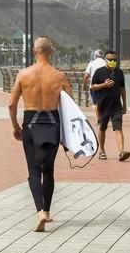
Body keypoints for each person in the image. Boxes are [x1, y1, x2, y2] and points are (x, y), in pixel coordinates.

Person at [8, 36, 72, 232]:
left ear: (34, 51)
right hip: (52, 124)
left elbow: (11, 104)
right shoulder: (59, 76)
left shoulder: (23, 74)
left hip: (30, 124)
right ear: (50, 51)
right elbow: (70, 108)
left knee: (33, 171)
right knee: (48, 170)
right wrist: (68, 137)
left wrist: (15, 126)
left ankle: (40, 212)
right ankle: (47, 210)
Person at [91, 51, 130, 162]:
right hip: (103, 105)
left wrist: (125, 104)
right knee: (102, 128)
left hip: (116, 106)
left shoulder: (119, 73)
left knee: (118, 128)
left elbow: (122, 89)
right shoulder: (99, 72)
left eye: (114, 60)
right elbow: (93, 87)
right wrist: (104, 85)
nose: (112, 61)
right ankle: (102, 151)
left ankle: (121, 152)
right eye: (110, 59)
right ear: (105, 60)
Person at [82, 49, 106, 122]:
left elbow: (86, 76)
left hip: (94, 86)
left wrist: (84, 85)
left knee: (96, 103)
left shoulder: (91, 63)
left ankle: (99, 119)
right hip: (105, 85)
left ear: (95, 55)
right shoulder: (106, 63)